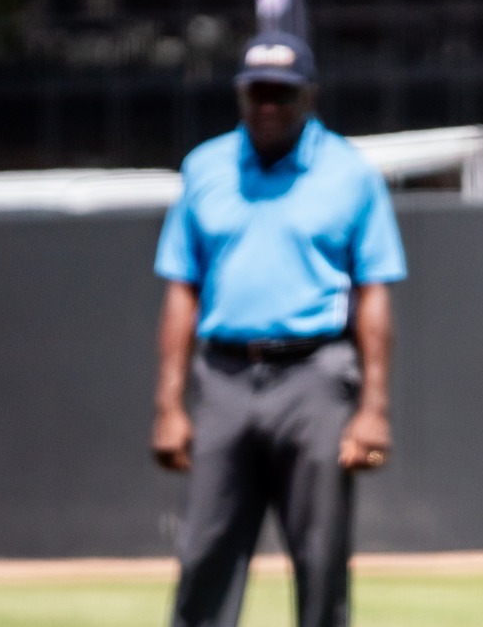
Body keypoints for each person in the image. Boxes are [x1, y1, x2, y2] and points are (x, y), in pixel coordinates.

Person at [150, 31, 406, 627]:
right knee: (204, 551)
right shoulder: (206, 167)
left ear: (308, 96)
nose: (269, 106)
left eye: (283, 95)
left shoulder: (349, 173)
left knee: (321, 558)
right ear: (241, 95)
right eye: (257, 92)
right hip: (224, 374)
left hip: (315, 375)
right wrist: (169, 403)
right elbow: (181, 289)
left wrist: (374, 407)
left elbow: (373, 293)